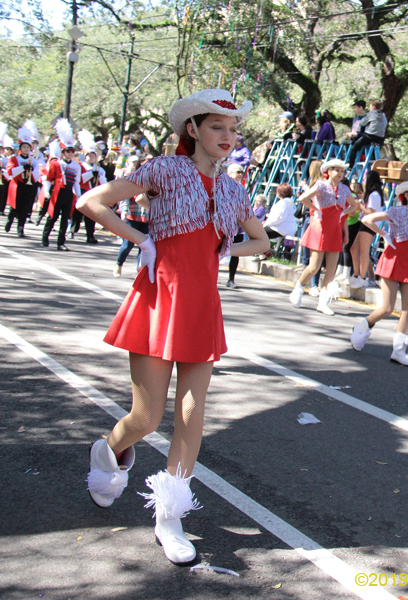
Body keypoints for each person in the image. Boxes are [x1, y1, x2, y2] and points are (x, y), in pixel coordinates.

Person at [77, 89, 268, 566]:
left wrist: (228, 250)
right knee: (146, 417)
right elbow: (92, 202)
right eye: (217, 127)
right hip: (159, 298)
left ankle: (169, 516)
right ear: (193, 130)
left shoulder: (232, 189)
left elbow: (261, 241)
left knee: (191, 414)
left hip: (203, 305)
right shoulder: (162, 170)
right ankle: (109, 449)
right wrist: (142, 240)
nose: (228, 137)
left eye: (233, 129)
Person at [351, 179, 408, 366]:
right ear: (407, 195)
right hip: (393, 259)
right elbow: (367, 219)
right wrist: (384, 235)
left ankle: (399, 351)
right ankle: (362, 326)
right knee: (387, 308)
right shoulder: (396, 211)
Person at [288, 158, 355, 315]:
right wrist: (315, 209)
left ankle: (322, 303)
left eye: (342, 171)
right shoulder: (321, 185)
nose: (340, 173)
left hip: (335, 229)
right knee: (314, 266)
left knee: (331, 270)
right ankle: (297, 289)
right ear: (328, 171)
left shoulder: (345, 189)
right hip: (321, 227)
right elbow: (302, 198)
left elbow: (353, 206)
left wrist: (343, 214)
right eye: (336, 170)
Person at [42, 120, 83, 251]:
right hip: (57, 192)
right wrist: (47, 191)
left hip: (69, 194)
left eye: (72, 151)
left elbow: (76, 182)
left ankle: (61, 242)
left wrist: (79, 196)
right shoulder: (56, 164)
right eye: (68, 151)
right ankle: (45, 236)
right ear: (63, 152)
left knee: (65, 219)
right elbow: (48, 179)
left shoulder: (76, 166)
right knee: (52, 216)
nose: (71, 153)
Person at [4, 121, 43, 238]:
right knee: (14, 208)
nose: (26, 149)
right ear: (21, 148)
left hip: (29, 186)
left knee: (25, 209)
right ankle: (10, 220)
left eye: (28, 147)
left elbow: (37, 177)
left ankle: (20, 228)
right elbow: (11, 172)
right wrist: (23, 168)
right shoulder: (14, 159)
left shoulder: (34, 160)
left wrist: (33, 169)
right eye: (24, 147)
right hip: (17, 186)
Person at [349, 170, 384, 288]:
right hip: (365, 223)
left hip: (369, 224)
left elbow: (371, 212)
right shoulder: (376, 194)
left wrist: (360, 206)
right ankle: (356, 274)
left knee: (364, 251)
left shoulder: (374, 195)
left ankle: (363, 278)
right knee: (354, 249)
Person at [71, 130, 106, 245]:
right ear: (85, 157)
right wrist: (91, 174)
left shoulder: (99, 168)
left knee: (91, 215)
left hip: (93, 193)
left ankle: (90, 235)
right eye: (89, 156)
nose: (91, 158)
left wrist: (98, 175)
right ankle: (72, 230)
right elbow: (79, 179)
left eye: (93, 156)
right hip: (82, 191)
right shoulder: (80, 166)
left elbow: (104, 182)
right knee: (78, 213)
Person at [113, 156, 146, 277]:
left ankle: (139, 271)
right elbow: (124, 195)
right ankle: (119, 264)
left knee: (144, 246)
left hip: (147, 217)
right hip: (132, 215)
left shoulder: (155, 179)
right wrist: (124, 211)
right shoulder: (133, 177)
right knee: (128, 244)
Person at [225, 163, 248, 289]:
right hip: (224, 225)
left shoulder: (242, 189)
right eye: (237, 172)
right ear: (229, 173)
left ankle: (231, 279)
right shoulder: (222, 186)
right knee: (215, 251)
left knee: (235, 253)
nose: (240, 175)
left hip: (237, 226)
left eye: (241, 172)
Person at [348, 100, 388, 166]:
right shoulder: (383, 115)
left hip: (369, 136)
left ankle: (350, 167)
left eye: (370, 106)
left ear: (373, 106)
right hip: (380, 138)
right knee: (373, 154)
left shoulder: (371, 113)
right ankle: (375, 165)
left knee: (354, 149)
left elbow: (362, 123)